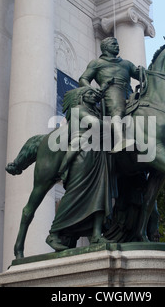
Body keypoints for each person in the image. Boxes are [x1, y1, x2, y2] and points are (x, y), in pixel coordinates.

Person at [47, 88, 113, 251]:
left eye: (94, 94)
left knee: (100, 195)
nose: (93, 96)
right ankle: (53, 233)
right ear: (81, 97)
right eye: (89, 94)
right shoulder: (78, 110)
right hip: (83, 154)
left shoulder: (95, 111)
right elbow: (97, 125)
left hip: (98, 155)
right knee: (74, 194)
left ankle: (97, 234)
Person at [79, 37, 144, 152]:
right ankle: (120, 140)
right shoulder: (97, 63)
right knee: (117, 110)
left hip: (128, 91)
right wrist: (92, 90)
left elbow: (139, 75)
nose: (117, 46)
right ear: (105, 47)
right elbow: (83, 79)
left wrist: (144, 72)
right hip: (111, 89)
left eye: (117, 44)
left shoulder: (126, 63)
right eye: (113, 44)